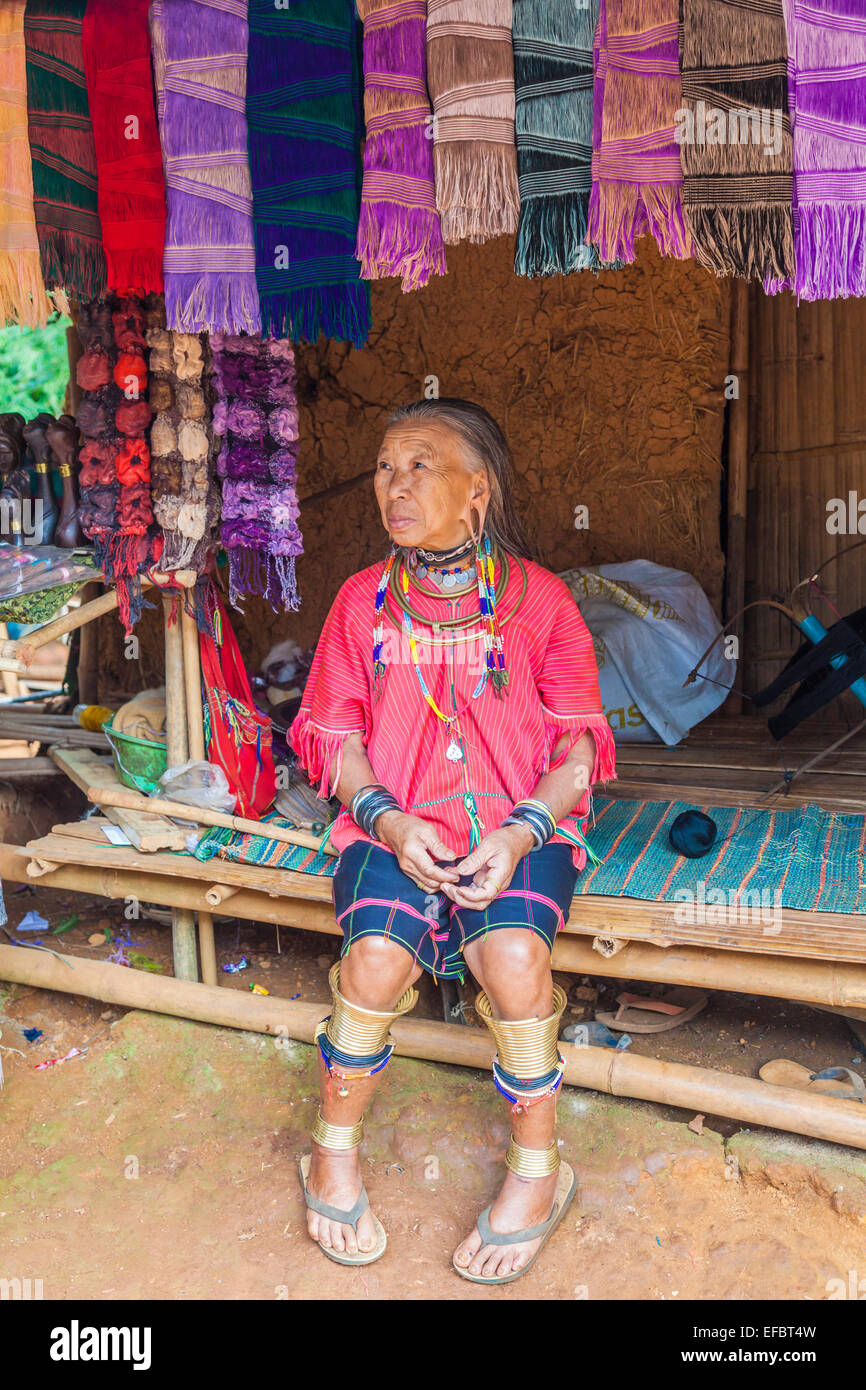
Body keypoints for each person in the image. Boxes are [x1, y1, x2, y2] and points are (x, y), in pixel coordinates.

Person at [290, 398, 615, 1285]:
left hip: (523, 825)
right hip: (391, 822)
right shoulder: (361, 604)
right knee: (375, 964)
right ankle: (334, 1154)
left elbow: (580, 750)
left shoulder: (540, 602)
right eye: (386, 465)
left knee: (513, 957)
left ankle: (539, 1178)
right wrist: (391, 823)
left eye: (419, 465)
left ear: (478, 491)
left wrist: (519, 835)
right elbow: (336, 738)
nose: (394, 484)